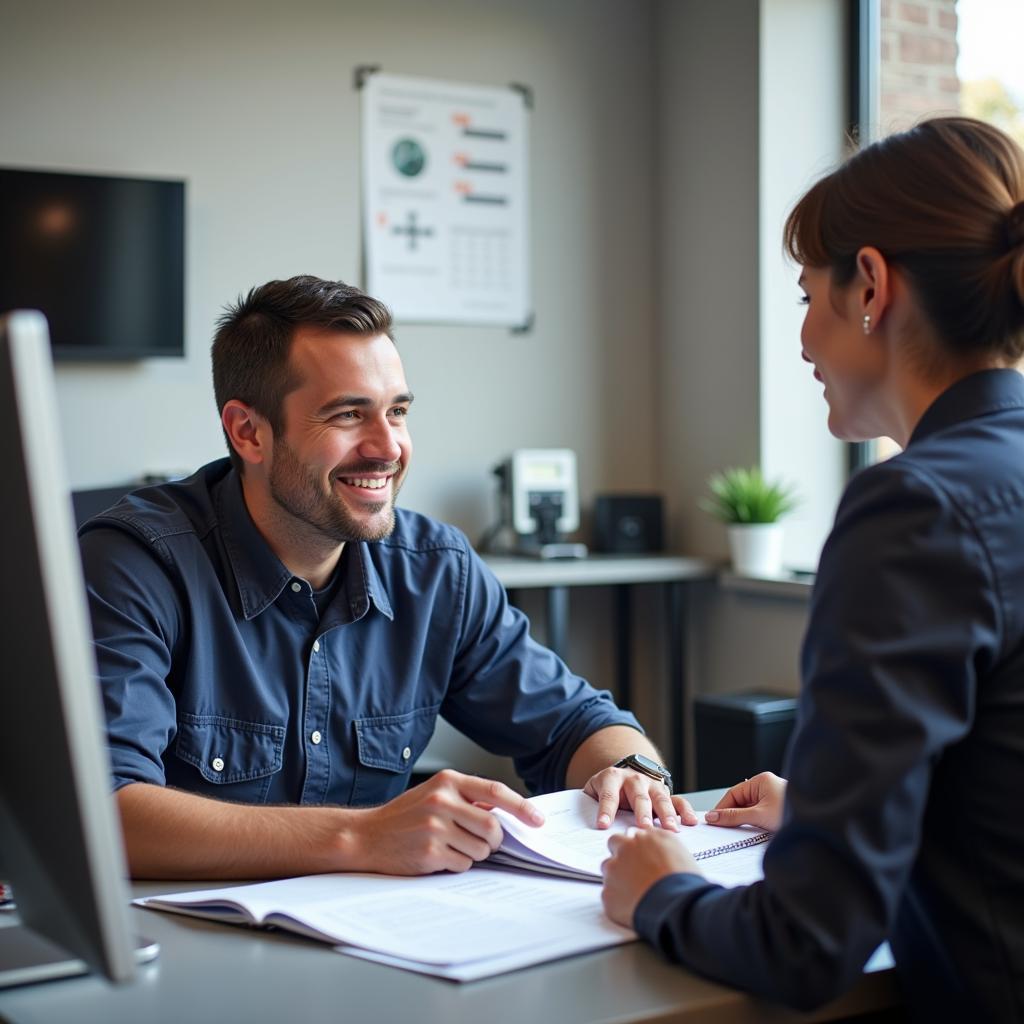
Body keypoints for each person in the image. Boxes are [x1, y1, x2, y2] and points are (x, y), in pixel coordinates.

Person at [601, 116, 1024, 1020]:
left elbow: (806, 942)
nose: (801, 341)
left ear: (870, 285)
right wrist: (834, 816)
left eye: (805, 297)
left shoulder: (915, 509)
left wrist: (660, 890)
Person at [80, 275, 696, 881]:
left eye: (396, 412)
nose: (388, 447)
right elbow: (104, 813)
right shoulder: (136, 563)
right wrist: (360, 835)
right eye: (349, 415)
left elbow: (575, 723)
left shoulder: (436, 569)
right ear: (249, 432)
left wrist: (632, 772)